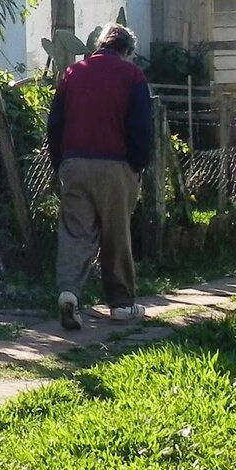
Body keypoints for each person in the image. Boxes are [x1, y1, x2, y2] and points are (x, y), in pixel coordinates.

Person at [46, 22, 152, 330]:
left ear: (100, 44)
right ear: (127, 50)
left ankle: (68, 293)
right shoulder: (132, 75)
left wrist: (61, 163)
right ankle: (120, 304)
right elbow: (141, 127)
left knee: (75, 233)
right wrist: (137, 164)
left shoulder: (72, 73)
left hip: (74, 163)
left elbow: (55, 124)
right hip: (116, 165)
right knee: (116, 233)